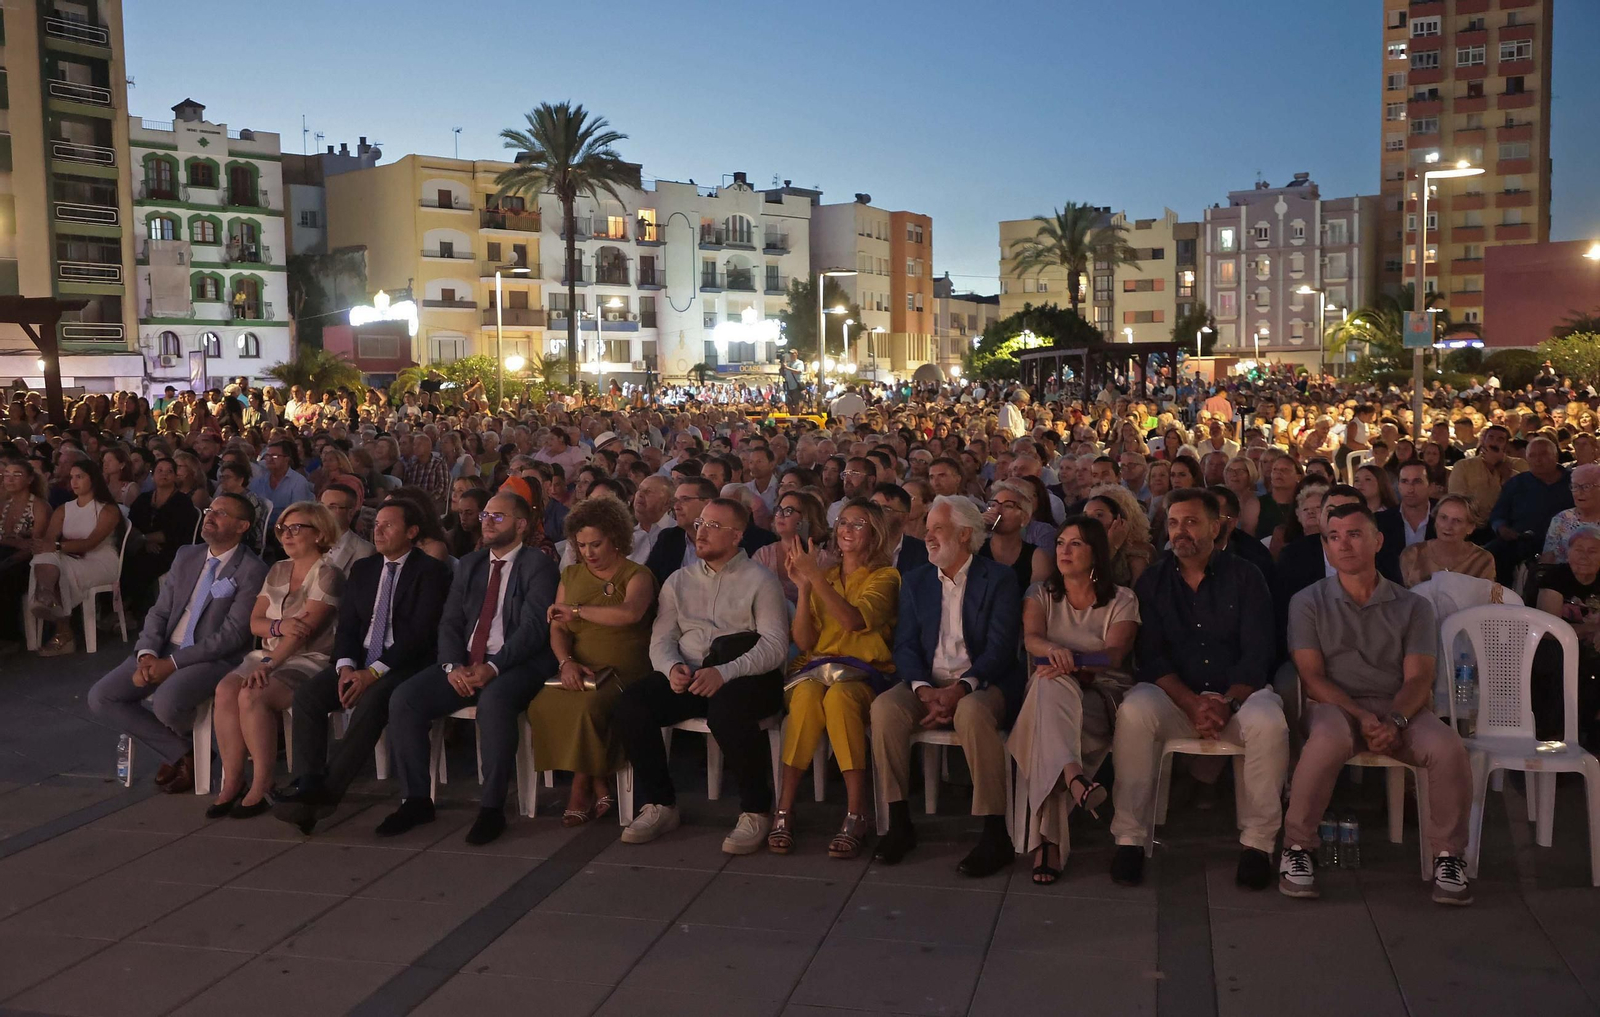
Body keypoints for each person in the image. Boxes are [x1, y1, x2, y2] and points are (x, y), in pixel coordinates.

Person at [1281, 502, 1473, 905]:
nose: (1344, 545)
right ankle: (1298, 848)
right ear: (1326, 547)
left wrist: (1396, 719)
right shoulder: (1307, 601)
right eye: (1334, 537)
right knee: (1327, 740)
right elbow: (1312, 676)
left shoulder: (1413, 606)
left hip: (1398, 706)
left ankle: (1448, 856)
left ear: (1377, 540)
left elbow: (1419, 676)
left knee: (1447, 745)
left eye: (1354, 534)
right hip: (1336, 705)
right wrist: (1364, 716)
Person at [1110, 488, 1286, 890]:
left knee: (1270, 722)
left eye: (1190, 521)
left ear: (1216, 525)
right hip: (1177, 697)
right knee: (1135, 711)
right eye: (1173, 523)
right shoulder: (1153, 581)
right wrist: (1191, 704)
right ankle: (1129, 839)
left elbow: (1259, 652)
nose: (1180, 531)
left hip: (1237, 696)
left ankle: (1257, 844)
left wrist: (1227, 702)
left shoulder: (1246, 577)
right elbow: (1152, 657)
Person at [379, 490, 560, 846]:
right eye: (485, 516)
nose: (487, 523)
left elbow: (533, 629)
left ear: (521, 525)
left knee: (493, 705)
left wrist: (493, 667)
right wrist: (451, 666)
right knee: (405, 699)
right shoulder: (473, 563)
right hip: (466, 662)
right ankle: (416, 799)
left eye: (498, 517)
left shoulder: (537, 564)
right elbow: (449, 622)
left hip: (516, 663)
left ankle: (491, 808)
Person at [612, 497, 789, 854]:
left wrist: (724, 673)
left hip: (746, 674)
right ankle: (661, 804)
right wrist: (671, 668)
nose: (701, 532)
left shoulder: (761, 580)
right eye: (700, 524)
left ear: (737, 535)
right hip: (691, 671)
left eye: (713, 526)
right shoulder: (679, 580)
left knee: (727, 712)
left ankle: (755, 810)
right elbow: (662, 638)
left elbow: (774, 646)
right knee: (631, 704)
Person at [271, 499, 454, 833]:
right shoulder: (365, 569)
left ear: (411, 532)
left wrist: (372, 673)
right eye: (377, 523)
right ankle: (307, 782)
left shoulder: (431, 572)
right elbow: (350, 627)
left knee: (373, 700)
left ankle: (324, 793)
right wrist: (344, 666)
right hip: (359, 661)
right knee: (309, 697)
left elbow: (419, 635)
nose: (378, 530)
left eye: (389, 524)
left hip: (403, 663)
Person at [872, 495, 1023, 877]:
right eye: (928, 529)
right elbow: (904, 644)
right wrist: (924, 691)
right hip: (929, 682)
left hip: (982, 683)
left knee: (972, 713)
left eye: (938, 528)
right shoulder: (917, 579)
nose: (928, 537)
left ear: (965, 533)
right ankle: (898, 820)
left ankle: (994, 831)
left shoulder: (999, 578)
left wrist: (960, 690)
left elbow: (1000, 650)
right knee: (885, 709)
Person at [86, 493, 267, 794]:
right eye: (210, 509)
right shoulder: (188, 555)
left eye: (221, 513)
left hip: (212, 657)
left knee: (168, 704)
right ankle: (183, 751)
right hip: (164, 648)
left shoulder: (253, 569)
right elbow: (161, 611)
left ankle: (183, 750)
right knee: (102, 697)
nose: (210, 516)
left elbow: (232, 635)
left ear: (242, 526)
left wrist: (170, 665)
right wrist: (147, 654)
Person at [1008, 516, 1139, 883]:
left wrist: (1073, 663)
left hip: (1100, 697)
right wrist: (1053, 649)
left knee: (1048, 706)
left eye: (1075, 544)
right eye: (1061, 542)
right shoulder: (1040, 593)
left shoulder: (1123, 599)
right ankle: (1074, 778)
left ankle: (1048, 843)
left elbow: (1115, 654)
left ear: (1096, 552)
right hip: (1051, 695)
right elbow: (1033, 638)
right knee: (1050, 692)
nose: (1063, 551)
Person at [769, 499, 900, 859]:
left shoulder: (886, 577)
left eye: (858, 524)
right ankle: (785, 808)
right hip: (818, 668)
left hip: (865, 673)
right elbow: (806, 642)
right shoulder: (824, 576)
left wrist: (813, 577)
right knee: (807, 698)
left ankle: (857, 812)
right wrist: (807, 586)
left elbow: (853, 622)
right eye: (843, 522)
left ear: (874, 534)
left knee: (840, 698)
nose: (846, 530)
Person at [206, 502, 344, 818]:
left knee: (253, 694)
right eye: (283, 528)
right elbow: (254, 622)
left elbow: (303, 634)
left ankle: (263, 782)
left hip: (310, 659)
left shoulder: (328, 575)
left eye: (297, 528)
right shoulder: (278, 569)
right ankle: (233, 779)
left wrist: (269, 665)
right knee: (226, 690)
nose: (287, 534)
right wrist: (278, 627)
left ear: (320, 533)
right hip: (268, 652)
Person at [528, 497, 657, 826]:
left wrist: (578, 612)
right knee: (543, 704)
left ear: (616, 537)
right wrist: (565, 662)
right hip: (580, 667)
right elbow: (558, 627)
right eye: (581, 544)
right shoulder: (571, 575)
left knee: (588, 707)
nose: (589, 552)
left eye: (596, 544)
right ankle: (599, 781)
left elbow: (629, 613)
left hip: (624, 668)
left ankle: (580, 787)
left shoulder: (637, 575)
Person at [27, 459, 123, 656]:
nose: (74, 482)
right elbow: (49, 540)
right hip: (68, 557)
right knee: (45, 556)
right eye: (71, 477)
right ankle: (47, 595)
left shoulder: (108, 509)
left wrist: (56, 546)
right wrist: (45, 546)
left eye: (79, 477)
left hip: (100, 561)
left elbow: (91, 543)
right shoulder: (64, 509)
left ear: (93, 479)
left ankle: (61, 628)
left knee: (58, 564)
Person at [1533, 525, 1600, 749]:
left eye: (1592, 551)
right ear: (1568, 552)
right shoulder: (1555, 577)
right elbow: (1551, 629)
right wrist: (1592, 630)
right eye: (1578, 549)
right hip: (1557, 651)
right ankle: (1558, 740)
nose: (1584, 555)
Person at [645, 476, 775, 583]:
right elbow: (649, 582)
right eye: (675, 501)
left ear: (707, 503)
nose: (677, 507)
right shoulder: (668, 538)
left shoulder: (753, 540)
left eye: (685, 500)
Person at [1485, 436, 1570, 583]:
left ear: (1555, 455)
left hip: (1566, 545)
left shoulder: (1573, 481)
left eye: (1543, 454)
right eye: (1532, 455)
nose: (1538, 459)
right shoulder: (1517, 483)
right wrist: (1502, 528)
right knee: (1488, 555)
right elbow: (1498, 514)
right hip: (1520, 542)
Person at [753, 489, 835, 606]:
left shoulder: (825, 560)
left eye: (788, 511)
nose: (780, 515)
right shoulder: (763, 555)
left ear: (806, 518)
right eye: (778, 510)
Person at [1447, 424, 1525, 536]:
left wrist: (1503, 469)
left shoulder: (1518, 465)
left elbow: (1519, 499)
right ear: (1483, 440)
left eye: (1500, 439)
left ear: (1506, 444)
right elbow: (1456, 498)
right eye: (1491, 438)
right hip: (1470, 528)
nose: (1494, 443)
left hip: (1506, 528)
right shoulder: (1463, 466)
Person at [978, 480, 1051, 591]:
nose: (998, 510)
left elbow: (1038, 599)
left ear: (1025, 519)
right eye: (993, 504)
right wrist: (977, 529)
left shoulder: (1037, 557)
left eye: (1008, 506)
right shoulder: (975, 549)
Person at [1083, 485, 1154, 586]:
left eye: (1099, 515)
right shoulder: (1080, 547)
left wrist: (1112, 546)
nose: (1091, 521)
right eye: (1087, 515)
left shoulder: (1138, 557)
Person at [250, 440, 314, 534]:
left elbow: (298, 513)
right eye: (267, 456)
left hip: (286, 531)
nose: (270, 459)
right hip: (259, 531)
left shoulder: (298, 482)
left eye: (275, 456)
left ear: (286, 459)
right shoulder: (259, 481)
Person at [1542, 462, 1600, 565]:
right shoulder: (1561, 519)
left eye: (1586, 486)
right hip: (1564, 578)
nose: (1579, 492)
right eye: (1575, 486)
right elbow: (1547, 560)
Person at [871, 482, 929, 572]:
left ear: (904, 517)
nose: (876, 513)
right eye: (873, 506)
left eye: (886, 509)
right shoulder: (857, 546)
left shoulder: (923, 554)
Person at [320, 482, 375, 574]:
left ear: (351, 512)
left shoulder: (365, 551)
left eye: (332, 507)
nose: (324, 512)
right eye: (321, 506)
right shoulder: (307, 542)